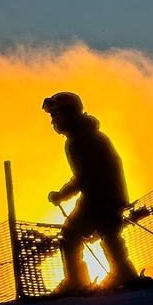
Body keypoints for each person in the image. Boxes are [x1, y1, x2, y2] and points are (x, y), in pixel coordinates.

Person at [43, 92, 143, 294]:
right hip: (109, 195)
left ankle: (76, 282)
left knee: (71, 234)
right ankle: (123, 272)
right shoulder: (87, 135)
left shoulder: (80, 139)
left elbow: (85, 175)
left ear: (67, 114)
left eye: (55, 115)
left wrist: (61, 195)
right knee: (109, 234)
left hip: (98, 197)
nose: (53, 120)